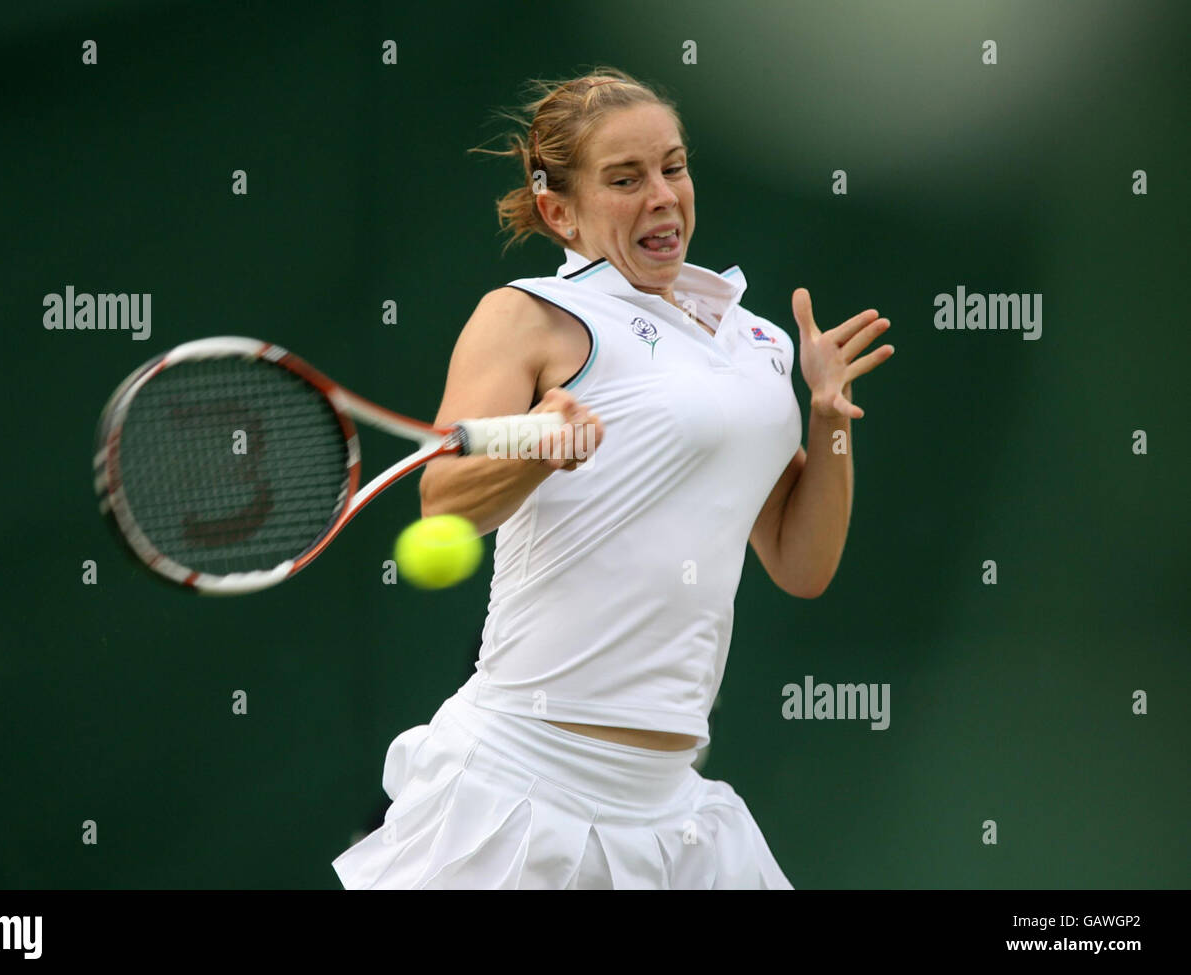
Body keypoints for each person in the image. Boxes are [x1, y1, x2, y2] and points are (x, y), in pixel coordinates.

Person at [332, 67, 893, 889]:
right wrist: (539, 451)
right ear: (560, 211)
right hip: (523, 786)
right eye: (625, 179)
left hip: (676, 812)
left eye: (673, 166)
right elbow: (443, 502)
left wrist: (828, 419)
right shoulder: (527, 317)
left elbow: (801, 565)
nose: (662, 195)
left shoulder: (759, 344)